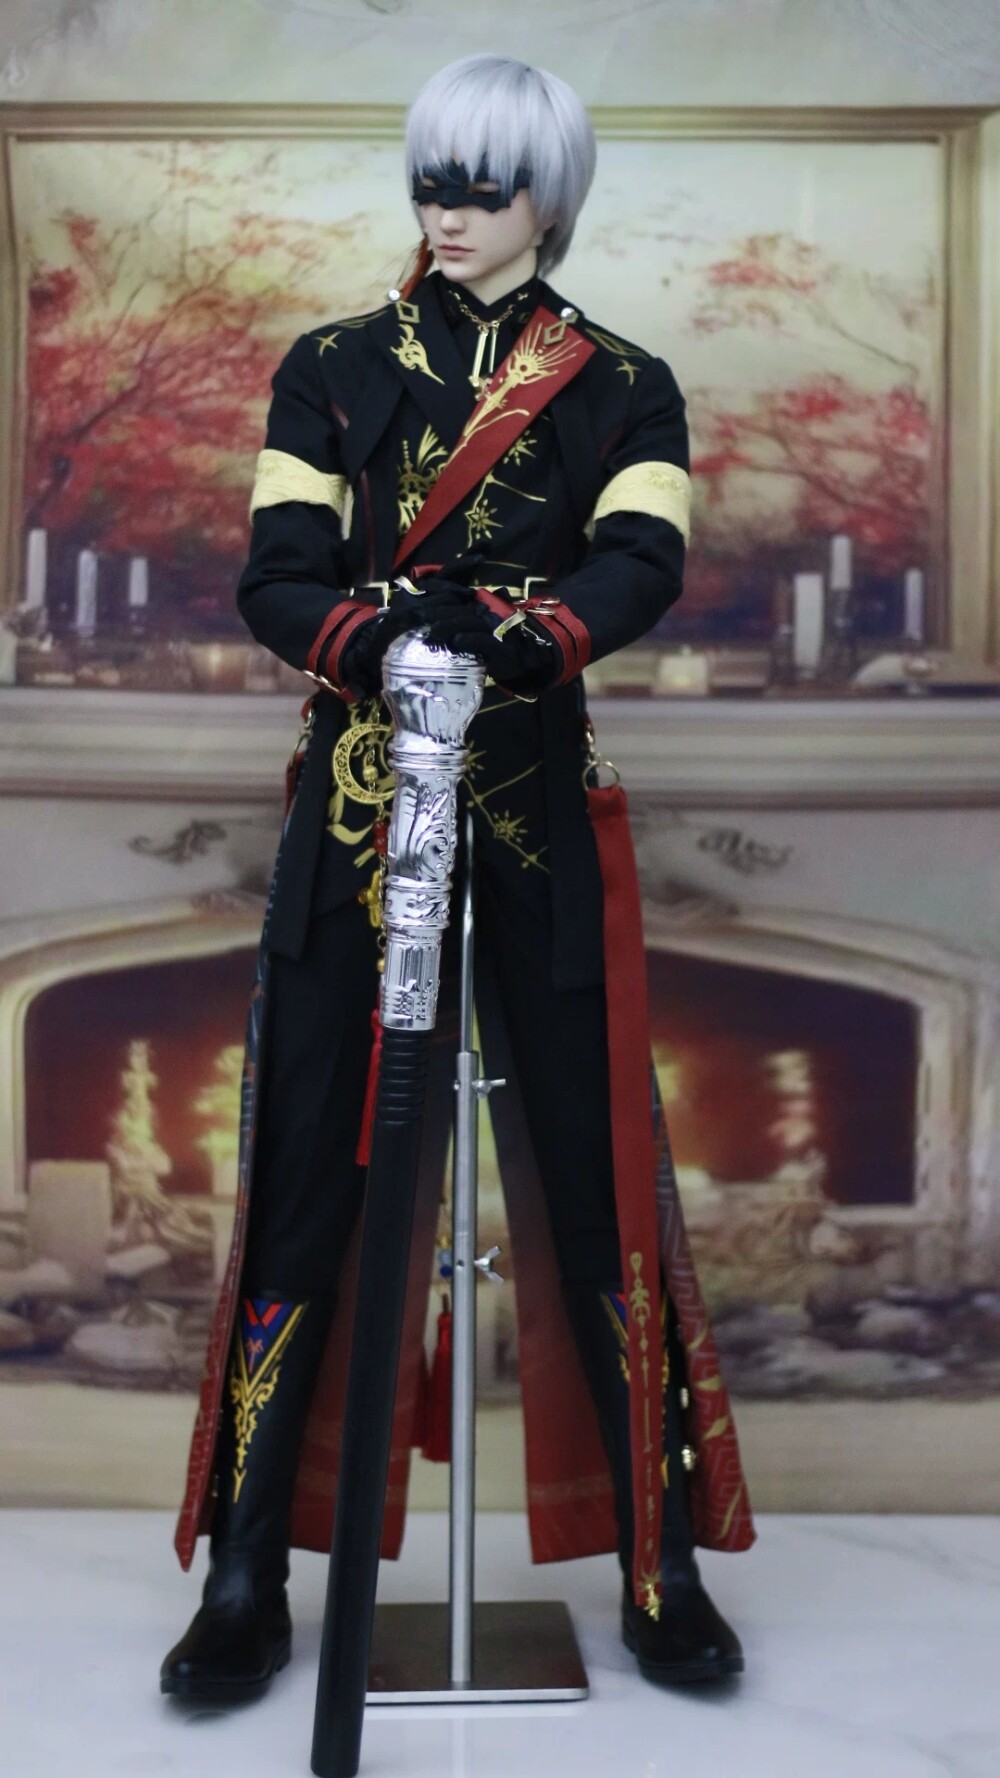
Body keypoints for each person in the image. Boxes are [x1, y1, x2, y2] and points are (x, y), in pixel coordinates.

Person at [163, 52, 754, 1706]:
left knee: (592, 1173)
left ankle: (657, 1561)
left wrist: (522, 637)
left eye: (485, 185)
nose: (451, 210)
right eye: (433, 178)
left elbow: (644, 559)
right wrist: (377, 643)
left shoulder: (624, 384)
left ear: (548, 198)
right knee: (305, 1172)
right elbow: (276, 575)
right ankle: (246, 1569)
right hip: (360, 805)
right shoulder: (332, 367)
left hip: (535, 798)